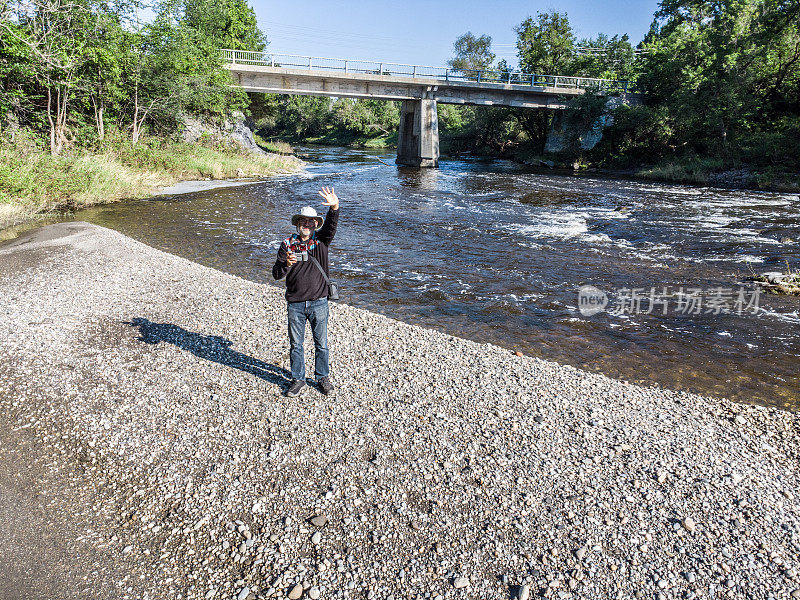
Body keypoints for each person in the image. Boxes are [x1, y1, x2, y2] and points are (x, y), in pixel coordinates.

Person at [272, 186, 340, 397]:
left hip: (319, 301)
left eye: (311, 221)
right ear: (298, 223)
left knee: (322, 344)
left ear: (315, 224)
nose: (307, 224)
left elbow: (331, 226)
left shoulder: (320, 241)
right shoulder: (287, 244)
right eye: (303, 221)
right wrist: (286, 264)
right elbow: (276, 274)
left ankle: (322, 378)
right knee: (296, 345)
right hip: (295, 303)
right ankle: (298, 379)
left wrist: (334, 206)